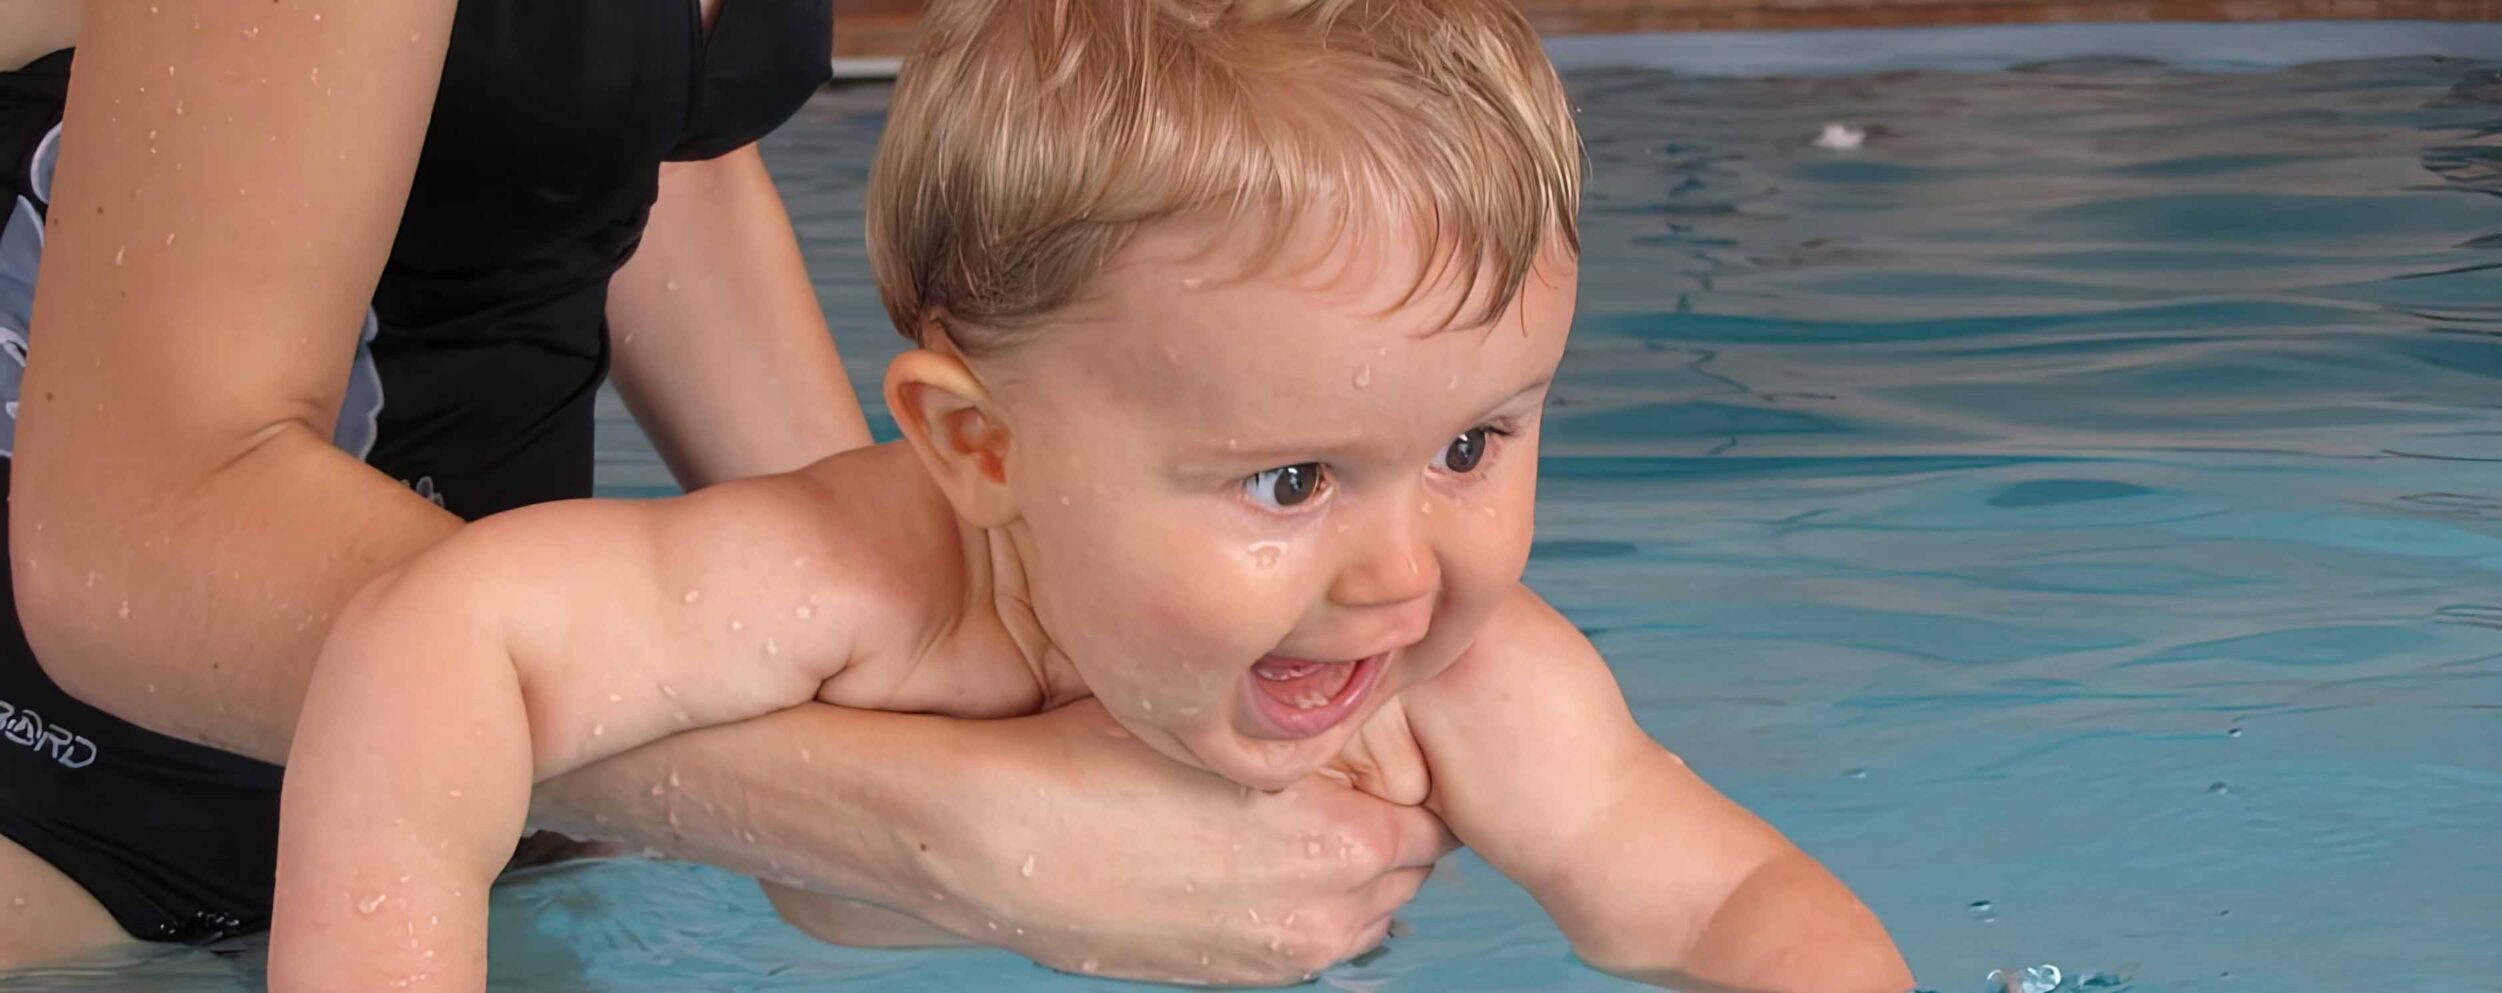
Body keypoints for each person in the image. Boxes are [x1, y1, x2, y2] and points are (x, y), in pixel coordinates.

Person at [268, 0, 1917, 990]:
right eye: (1289, 476)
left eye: (1476, 443)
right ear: (983, 451)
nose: (1404, 571)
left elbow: (1734, 901)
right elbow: (437, 647)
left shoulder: (1467, 689)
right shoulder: (848, 587)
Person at [0, 0, 1450, 980]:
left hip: (497, 822)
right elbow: (138, 526)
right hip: (52, 800)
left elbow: (635, 140)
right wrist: (915, 812)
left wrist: (926, 632)